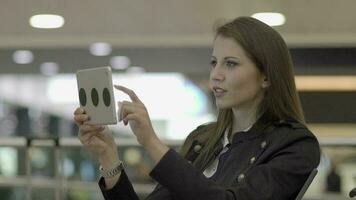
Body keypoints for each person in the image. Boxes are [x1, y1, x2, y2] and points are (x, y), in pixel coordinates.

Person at [73, 16, 320, 200]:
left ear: (266, 76)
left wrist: (151, 142)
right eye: (214, 63)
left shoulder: (295, 145)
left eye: (231, 64)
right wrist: (108, 155)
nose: (216, 75)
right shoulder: (203, 139)